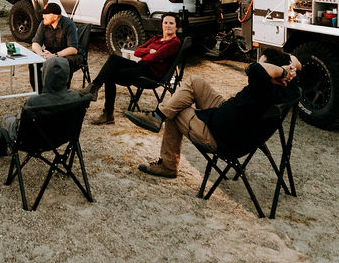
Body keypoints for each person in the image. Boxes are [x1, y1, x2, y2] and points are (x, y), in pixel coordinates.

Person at [124, 48, 301, 178]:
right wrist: (289, 68)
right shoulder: (290, 88)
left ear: (276, 73)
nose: (259, 64)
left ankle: (168, 163)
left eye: (264, 64)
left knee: (175, 110)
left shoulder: (262, 85)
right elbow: (296, 61)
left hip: (220, 136)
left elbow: (254, 68)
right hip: (230, 117)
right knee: (195, 82)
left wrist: (283, 70)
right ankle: (157, 117)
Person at [80, 13, 182, 125]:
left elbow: (155, 57)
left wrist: (150, 54)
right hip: (141, 66)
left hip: (150, 75)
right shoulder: (157, 38)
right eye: (165, 22)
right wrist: (148, 51)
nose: (168, 25)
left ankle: (107, 112)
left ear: (176, 26)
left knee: (110, 75)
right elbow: (138, 51)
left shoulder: (174, 43)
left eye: (171, 23)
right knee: (114, 59)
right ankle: (95, 87)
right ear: (162, 24)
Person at [0, 57, 87, 156]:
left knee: (6, 120)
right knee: (13, 119)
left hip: (31, 141)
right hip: (61, 138)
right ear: (67, 76)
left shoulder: (35, 101)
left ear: (45, 75)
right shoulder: (75, 97)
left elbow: (20, 123)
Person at [30, 3, 81, 91]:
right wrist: (41, 54)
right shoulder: (43, 24)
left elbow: (73, 49)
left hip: (66, 54)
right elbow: (35, 43)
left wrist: (54, 56)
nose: (43, 16)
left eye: (46, 14)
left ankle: (62, 93)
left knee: (68, 61)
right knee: (33, 61)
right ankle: (39, 92)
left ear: (55, 17)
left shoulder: (69, 25)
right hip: (50, 53)